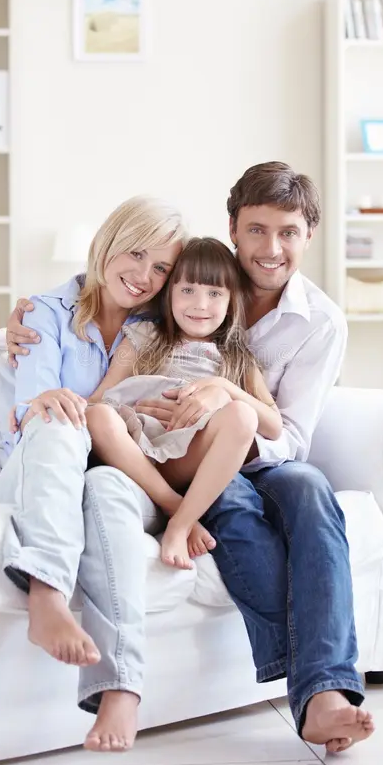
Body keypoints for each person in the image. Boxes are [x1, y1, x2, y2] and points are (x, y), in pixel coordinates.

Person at [7, 162, 375, 754]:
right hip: (165, 459)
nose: (271, 248)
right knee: (194, 502)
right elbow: (103, 350)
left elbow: (289, 434)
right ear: (233, 229)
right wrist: (27, 318)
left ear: (309, 235)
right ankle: (149, 678)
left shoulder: (317, 323)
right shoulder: (158, 310)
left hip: (256, 456)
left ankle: (326, 689)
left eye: (288, 232)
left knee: (308, 489)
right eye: (256, 230)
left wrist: (225, 396)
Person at [0, 195, 187, 752]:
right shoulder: (43, 314)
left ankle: (121, 688)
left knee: (105, 485)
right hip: (39, 475)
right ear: (107, 242)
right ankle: (46, 594)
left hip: (114, 473)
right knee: (58, 418)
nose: (144, 276)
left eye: (162, 268)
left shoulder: (165, 327)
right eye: (135, 253)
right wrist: (61, 403)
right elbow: (33, 411)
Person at [84, 236, 282, 570]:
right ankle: (173, 505)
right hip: (137, 450)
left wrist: (223, 386)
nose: (200, 304)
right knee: (98, 415)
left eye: (215, 293)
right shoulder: (146, 336)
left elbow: (274, 427)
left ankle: (179, 523)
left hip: (187, 455)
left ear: (232, 301)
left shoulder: (237, 358)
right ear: (170, 293)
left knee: (243, 416)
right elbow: (101, 396)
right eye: (188, 290)